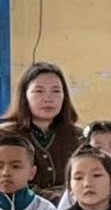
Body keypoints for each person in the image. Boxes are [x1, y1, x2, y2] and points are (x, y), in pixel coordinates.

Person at [0, 61, 81, 199]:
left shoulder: (78, 136)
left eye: (56, 91)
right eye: (39, 91)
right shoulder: (5, 135)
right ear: (24, 96)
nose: (48, 98)